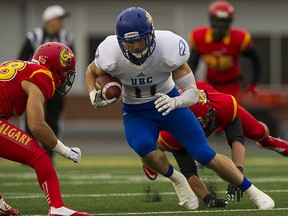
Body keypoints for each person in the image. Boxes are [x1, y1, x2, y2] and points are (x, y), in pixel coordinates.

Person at [85, 6, 274, 210]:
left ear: (152, 34)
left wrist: (176, 102)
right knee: (142, 146)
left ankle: (255, 192)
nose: (136, 46)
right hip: (136, 110)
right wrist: (93, 94)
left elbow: (192, 92)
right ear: (121, 41)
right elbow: (90, 72)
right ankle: (178, 180)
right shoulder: (110, 53)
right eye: (130, 41)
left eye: (141, 39)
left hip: (170, 103)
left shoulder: (169, 47)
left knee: (203, 154)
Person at [143, 81, 288, 203]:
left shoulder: (223, 104)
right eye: (198, 123)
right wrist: (206, 199)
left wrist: (238, 173)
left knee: (260, 132)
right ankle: (147, 161)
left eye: (203, 121)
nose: (204, 127)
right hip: (174, 116)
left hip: (214, 102)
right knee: (155, 144)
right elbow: (188, 169)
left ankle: (267, 141)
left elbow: (236, 139)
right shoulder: (172, 133)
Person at [0, 42, 92, 216]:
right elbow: (36, 125)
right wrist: (65, 150)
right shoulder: (43, 76)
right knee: (39, 156)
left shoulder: (21, 66)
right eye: (65, 74)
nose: (65, 79)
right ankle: (57, 207)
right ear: (56, 68)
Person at [18, 5, 75, 161]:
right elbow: (22, 59)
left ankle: (50, 155)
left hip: (57, 85)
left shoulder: (67, 37)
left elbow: (71, 63)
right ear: (49, 20)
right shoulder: (34, 36)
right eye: (59, 19)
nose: (61, 23)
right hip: (34, 84)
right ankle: (28, 152)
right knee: (32, 117)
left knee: (53, 119)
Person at [188, 0, 261, 100]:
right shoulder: (200, 37)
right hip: (210, 83)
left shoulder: (238, 39)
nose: (220, 25)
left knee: (230, 111)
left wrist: (254, 83)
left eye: (224, 21)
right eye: (217, 20)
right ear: (211, 19)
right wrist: (190, 82)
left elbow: (256, 59)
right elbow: (193, 62)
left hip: (231, 84)